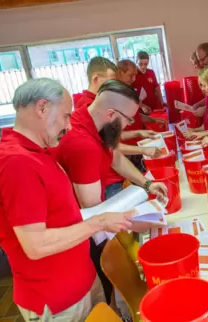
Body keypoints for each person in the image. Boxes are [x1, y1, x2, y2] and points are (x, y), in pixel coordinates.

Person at [0, 78, 134, 321]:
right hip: (57, 297)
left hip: (80, 279)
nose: (69, 124)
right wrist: (99, 222)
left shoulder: (38, 150)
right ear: (42, 108)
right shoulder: (16, 162)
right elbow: (36, 245)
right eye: (66, 116)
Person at [54, 79, 167, 306]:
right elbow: (95, 210)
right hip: (80, 235)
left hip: (88, 224)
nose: (128, 126)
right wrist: (138, 218)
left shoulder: (94, 123)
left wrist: (146, 184)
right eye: (127, 119)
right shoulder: (82, 144)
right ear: (110, 114)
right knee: (105, 287)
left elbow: (114, 155)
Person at [117, 59, 167, 172]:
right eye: (130, 75)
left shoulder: (127, 90)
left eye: (135, 75)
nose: (134, 79)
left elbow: (136, 116)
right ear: (120, 72)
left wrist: (154, 120)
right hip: (127, 149)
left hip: (139, 144)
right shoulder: (114, 95)